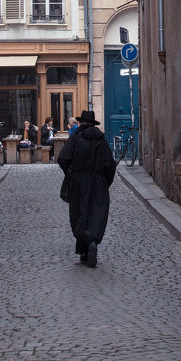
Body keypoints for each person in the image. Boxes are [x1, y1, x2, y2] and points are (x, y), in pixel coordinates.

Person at [58, 110, 116, 268]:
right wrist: (105, 182)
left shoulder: (76, 138)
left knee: (78, 213)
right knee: (96, 213)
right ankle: (92, 243)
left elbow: (62, 158)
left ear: (81, 122)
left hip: (78, 181)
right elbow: (110, 165)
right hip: (98, 182)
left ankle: (84, 248)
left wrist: (70, 172)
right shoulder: (101, 140)